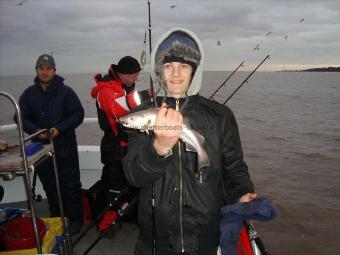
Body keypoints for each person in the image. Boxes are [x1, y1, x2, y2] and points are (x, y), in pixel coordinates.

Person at [122, 28, 257, 255]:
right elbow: (133, 175)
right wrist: (159, 148)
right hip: (156, 236)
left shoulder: (220, 115)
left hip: (205, 232)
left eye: (183, 66)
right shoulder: (142, 113)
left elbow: (235, 168)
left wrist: (242, 192)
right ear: (158, 70)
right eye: (168, 66)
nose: (175, 74)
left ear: (194, 70)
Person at [18, 54, 84, 235]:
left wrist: (59, 129)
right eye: (41, 68)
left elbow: (78, 114)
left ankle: (76, 220)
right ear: (36, 70)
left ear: (54, 71)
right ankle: (57, 219)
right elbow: (20, 116)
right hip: (41, 150)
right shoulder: (28, 94)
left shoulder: (66, 92)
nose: (45, 72)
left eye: (48, 68)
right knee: (50, 186)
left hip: (65, 147)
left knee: (70, 185)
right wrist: (37, 132)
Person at [90, 56, 150, 205]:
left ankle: (123, 216)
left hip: (127, 145)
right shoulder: (106, 89)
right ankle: (105, 221)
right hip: (114, 147)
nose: (136, 78)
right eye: (134, 75)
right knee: (113, 187)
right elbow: (118, 108)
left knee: (129, 185)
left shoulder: (125, 87)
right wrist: (147, 94)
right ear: (124, 74)